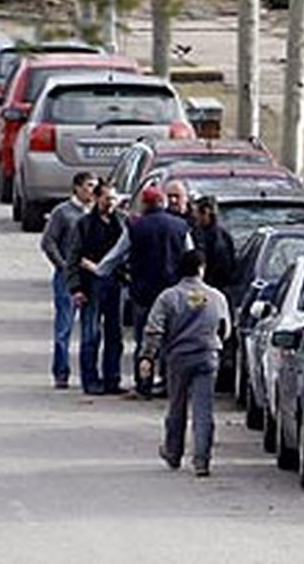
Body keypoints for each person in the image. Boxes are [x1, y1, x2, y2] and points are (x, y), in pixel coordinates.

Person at [139, 248, 230, 477]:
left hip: (179, 357)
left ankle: (173, 452)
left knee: (176, 407)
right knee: (203, 410)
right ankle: (202, 460)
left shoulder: (169, 297)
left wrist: (148, 355)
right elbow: (226, 329)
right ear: (202, 268)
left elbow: (154, 328)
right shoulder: (216, 297)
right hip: (207, 356)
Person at [96, 183, 191, 397]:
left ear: (145, 205)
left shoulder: (135, 227)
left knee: (145, 341)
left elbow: (116, 255)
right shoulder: (180, 227)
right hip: (173, 293)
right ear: (162, 202)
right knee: (171, 339)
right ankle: (169, 383)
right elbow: (190, 256)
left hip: (143, 293)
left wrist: (100, 271)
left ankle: (144, 383)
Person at [67, 179, 126, 395]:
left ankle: (112, 379)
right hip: (90, 286)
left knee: (115, 335)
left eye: (113, 199)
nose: (110, 203)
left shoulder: (122, 222)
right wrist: (76, 289)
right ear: (97, 198)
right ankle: (90, 380)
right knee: (91, 335)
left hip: (115, 285)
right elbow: (73, 258)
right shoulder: (84, 225)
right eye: (107, 198)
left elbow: (127, 254)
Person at [39, 171, 95, 388]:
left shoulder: (94, 212)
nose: (92, 190)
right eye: (89, 185)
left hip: (89, 276)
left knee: (90, 328)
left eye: (94, 186)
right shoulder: (63, 213)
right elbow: (48, 242)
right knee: (64, 326)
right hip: (66, 278)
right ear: (77, 188)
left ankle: (89, 373)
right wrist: (63, 266)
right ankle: (61, 372)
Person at [190, 196, 237, 293]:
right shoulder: (224, 235)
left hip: (206, 288)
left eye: (196, 212)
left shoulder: (205, 237)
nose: (193, 215)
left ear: (206, 212)